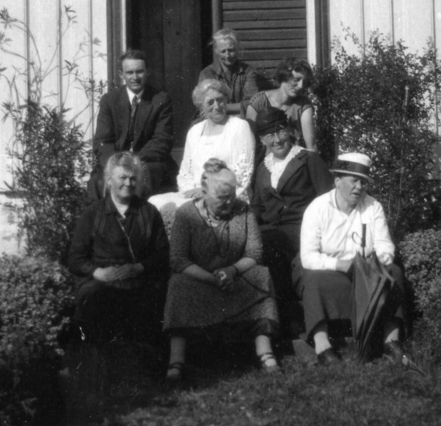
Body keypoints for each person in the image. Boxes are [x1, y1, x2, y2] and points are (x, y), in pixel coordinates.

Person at [163, 160, 280, 380]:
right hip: (200, 279)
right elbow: (178, 260)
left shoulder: (243, 211)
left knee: (262, 275)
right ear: (204, 192)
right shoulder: (186, 214)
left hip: (236, 277)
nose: (228, 203)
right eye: (221, 198)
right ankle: (176, 362)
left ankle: (265, 352)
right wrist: (210, 278)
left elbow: (254, 253)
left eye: (231, 196)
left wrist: (233, 271)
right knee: (177, 283)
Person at [294, 152, 409, 365]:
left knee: (394, 272)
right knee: (312, 280)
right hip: (332, 271)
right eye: (353, 181)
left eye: (363, 182)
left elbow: (386, 247)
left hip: (365, 272)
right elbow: (308, 257)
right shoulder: (318, 208)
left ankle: (391, 342)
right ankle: (323, 346)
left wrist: (372, 261)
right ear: (337, 181)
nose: (359, 187)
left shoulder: (373, 206)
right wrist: (339, 264)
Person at [66, 152, 170, 346]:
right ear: (109, 180)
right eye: (122, 177)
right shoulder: (93, 213)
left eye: (133, 178)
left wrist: (139, 267)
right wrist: (98, 273)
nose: (128, 183)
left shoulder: (149, 212)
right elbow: (75, 258)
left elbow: (163, 254)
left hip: (139, 280)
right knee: (90, 298)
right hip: (102, 282)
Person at [250, 107, 333, 336]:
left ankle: (291, 317)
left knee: (269, 244)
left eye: (280, 132)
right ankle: (275, 320)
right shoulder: (262, 167)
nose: (276, 140)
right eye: (269, 135)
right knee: (259, 244)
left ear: (289, 131)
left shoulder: (308, 159)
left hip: (303, 229)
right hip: (272, 231)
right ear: (261, 139)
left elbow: (328, 198)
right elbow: (257, 206)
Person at [150, 78, 256, 230]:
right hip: (196, 195)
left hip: (228, 195)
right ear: (201, 106)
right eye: (210, 102)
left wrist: (208, 191)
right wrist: (189, 192)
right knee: (154, 202)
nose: (217, 106)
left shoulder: (239, 126)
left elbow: (243, 172)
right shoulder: (194, 132)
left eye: (220, 100)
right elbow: (185, 173)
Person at [90, 50, 176, 200]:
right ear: (121, 74)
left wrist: (133, 161)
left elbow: (162, 141)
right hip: (115, 161)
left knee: (144, 179)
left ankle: (141, 221)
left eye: (139, 72)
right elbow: (103, 141)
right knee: (97, 181)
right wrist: (117, 164)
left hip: (148, 162)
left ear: (147, 72)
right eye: (129, 73)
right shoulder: (109, 100)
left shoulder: (160, 99)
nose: (135, 77)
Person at [245, 57, 317, 151]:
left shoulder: (303, 106)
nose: (301, 86)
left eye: (304, 82)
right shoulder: (259, 101)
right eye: (296, 79)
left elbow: (311, 145)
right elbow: (248, 140)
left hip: (293, 159)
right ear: (285, 76)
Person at [198, 28, 261, 116]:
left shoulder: (248, 71)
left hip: (241, 121)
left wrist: (222, 107)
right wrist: (238, 107)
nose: (227, 55)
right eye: (223, 51)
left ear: (237, 49)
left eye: (231, 50)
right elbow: (207, 107)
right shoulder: (207, 74)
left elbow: (253, 103)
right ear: (216, 51)